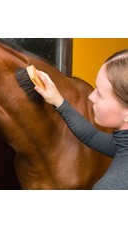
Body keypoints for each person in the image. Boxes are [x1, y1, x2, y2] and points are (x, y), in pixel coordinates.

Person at [34, 49, 128, 190]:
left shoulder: (111, 187)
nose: (91, 97)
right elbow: (92, 136)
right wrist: (57, 100)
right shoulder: (122, 145)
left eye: (100, 94)